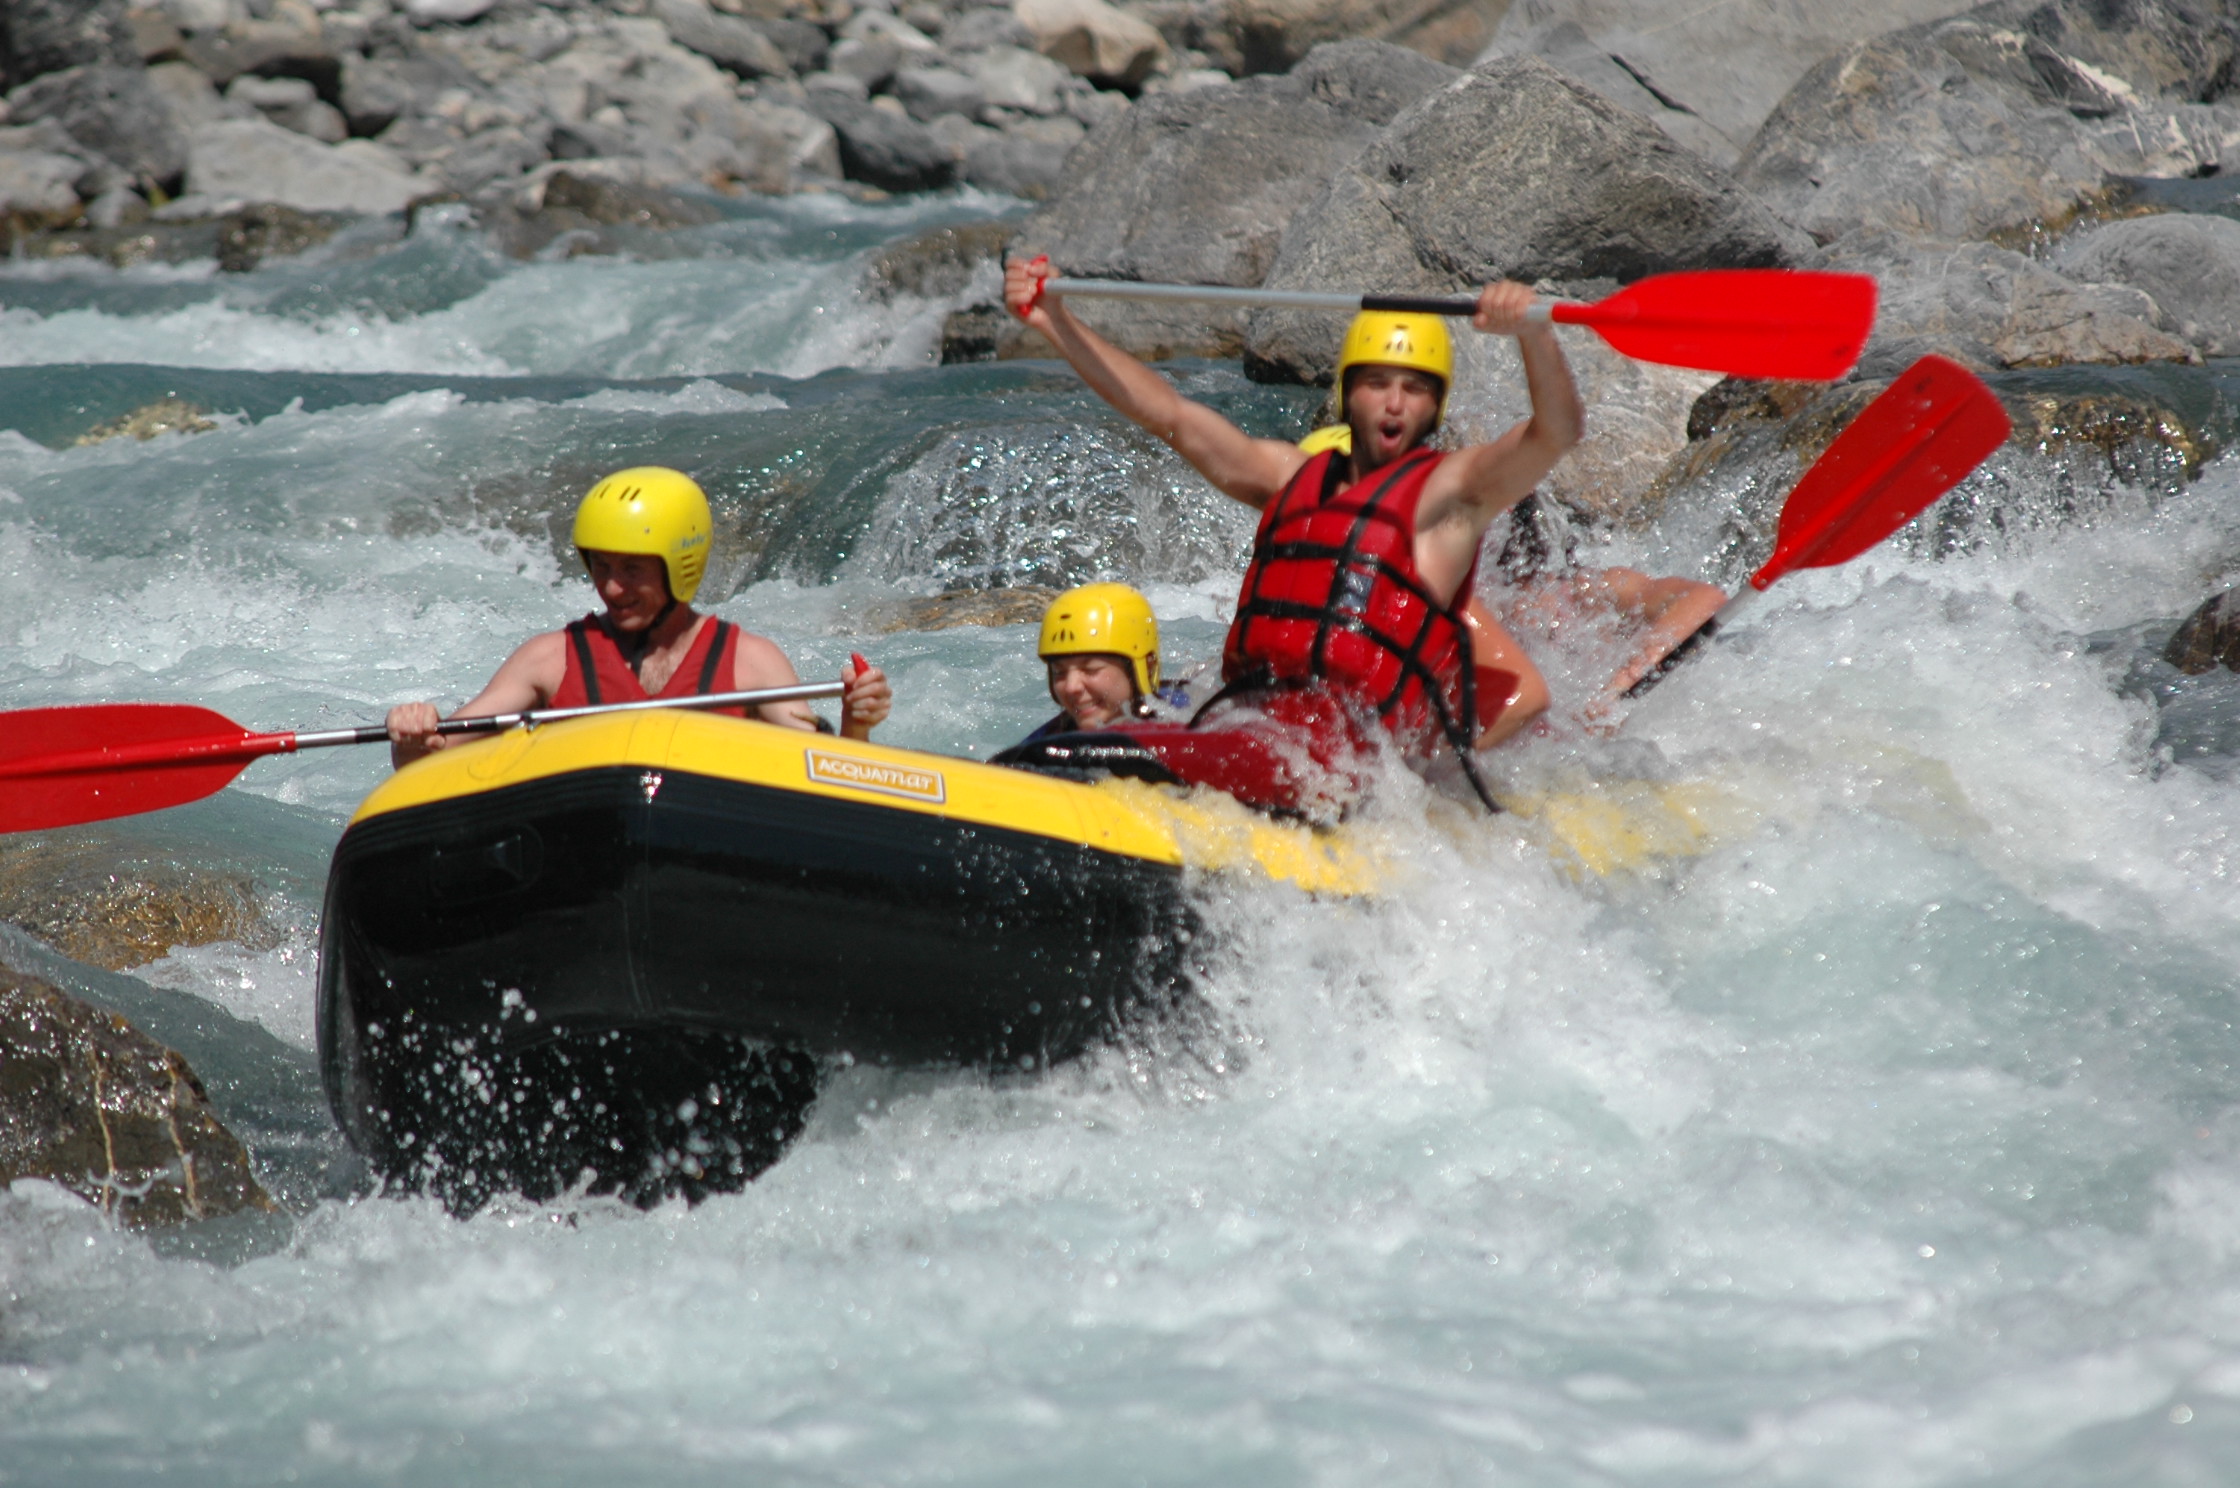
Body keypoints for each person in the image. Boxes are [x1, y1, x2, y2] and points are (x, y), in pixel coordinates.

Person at [1004, 256, 1584, 807]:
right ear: (1348, 392)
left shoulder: (1450, 500)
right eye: (1377, 383)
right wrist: (1057, 324)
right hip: (1246, 723)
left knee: (1072, 756)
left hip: (1338, 758)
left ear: (1435, 406)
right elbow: (1170, 414)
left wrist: (1533, 335)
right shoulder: (1288, 476)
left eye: (1414, 388)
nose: (1394, 403)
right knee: (1054, 751)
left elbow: (1553, 434)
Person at [386, 466, 890, 767]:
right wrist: (412, 736)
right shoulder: (549, 660)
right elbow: (436, 758)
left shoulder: (751, 664)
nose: (610, 586)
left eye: (631, 569)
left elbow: (827, 774)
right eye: (600, 566)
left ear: (680, 566)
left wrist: (855, 725)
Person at [1486, 490, 1728, 726]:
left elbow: (1706, 597)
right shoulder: (1476, 620)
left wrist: (1629, 675)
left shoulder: (1585, 594)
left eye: (1531, 584)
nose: (1525, 611)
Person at [1017, 582, 1188, 743]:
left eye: (1090, 669)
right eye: (1058, 672)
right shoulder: (1043, 744)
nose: (1071, 687)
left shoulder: (1188, 718)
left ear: (1147, 667)